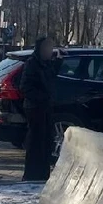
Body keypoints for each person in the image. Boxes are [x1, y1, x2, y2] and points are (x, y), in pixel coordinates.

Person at [19, 37, 63, 181]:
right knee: (35, 142)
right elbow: (25, 87)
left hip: (46, 107)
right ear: (40, 49)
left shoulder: (47, 64)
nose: (49, 52)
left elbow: (51, 78)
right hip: (34, 108)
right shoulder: (32, 64)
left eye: (50, 49)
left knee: (47, 141)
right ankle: (32, 174)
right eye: (46, 48)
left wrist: (58, 62)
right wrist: (41, 97)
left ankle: (43, 174)